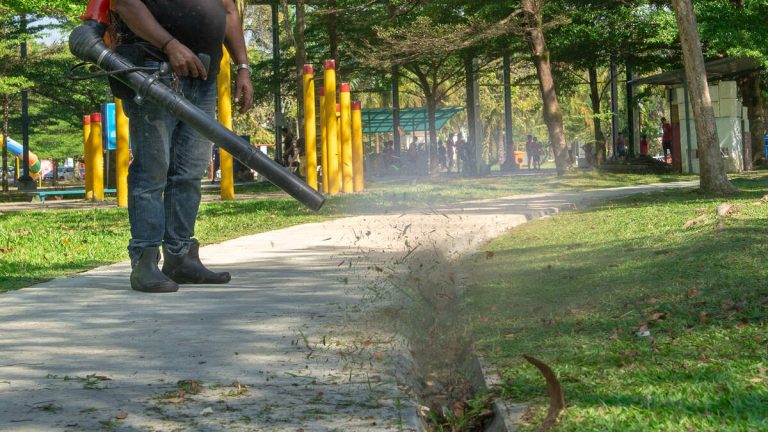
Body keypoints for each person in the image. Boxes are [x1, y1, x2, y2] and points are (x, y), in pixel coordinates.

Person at [114, 0, 254, 293]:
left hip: (203, 75)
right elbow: (124, 3)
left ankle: (180, 258)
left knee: (189, 171)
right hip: (152, 67)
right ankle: (145, 261)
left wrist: (242, 66)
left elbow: (228, 11)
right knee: (152, 170)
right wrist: (170, 45)